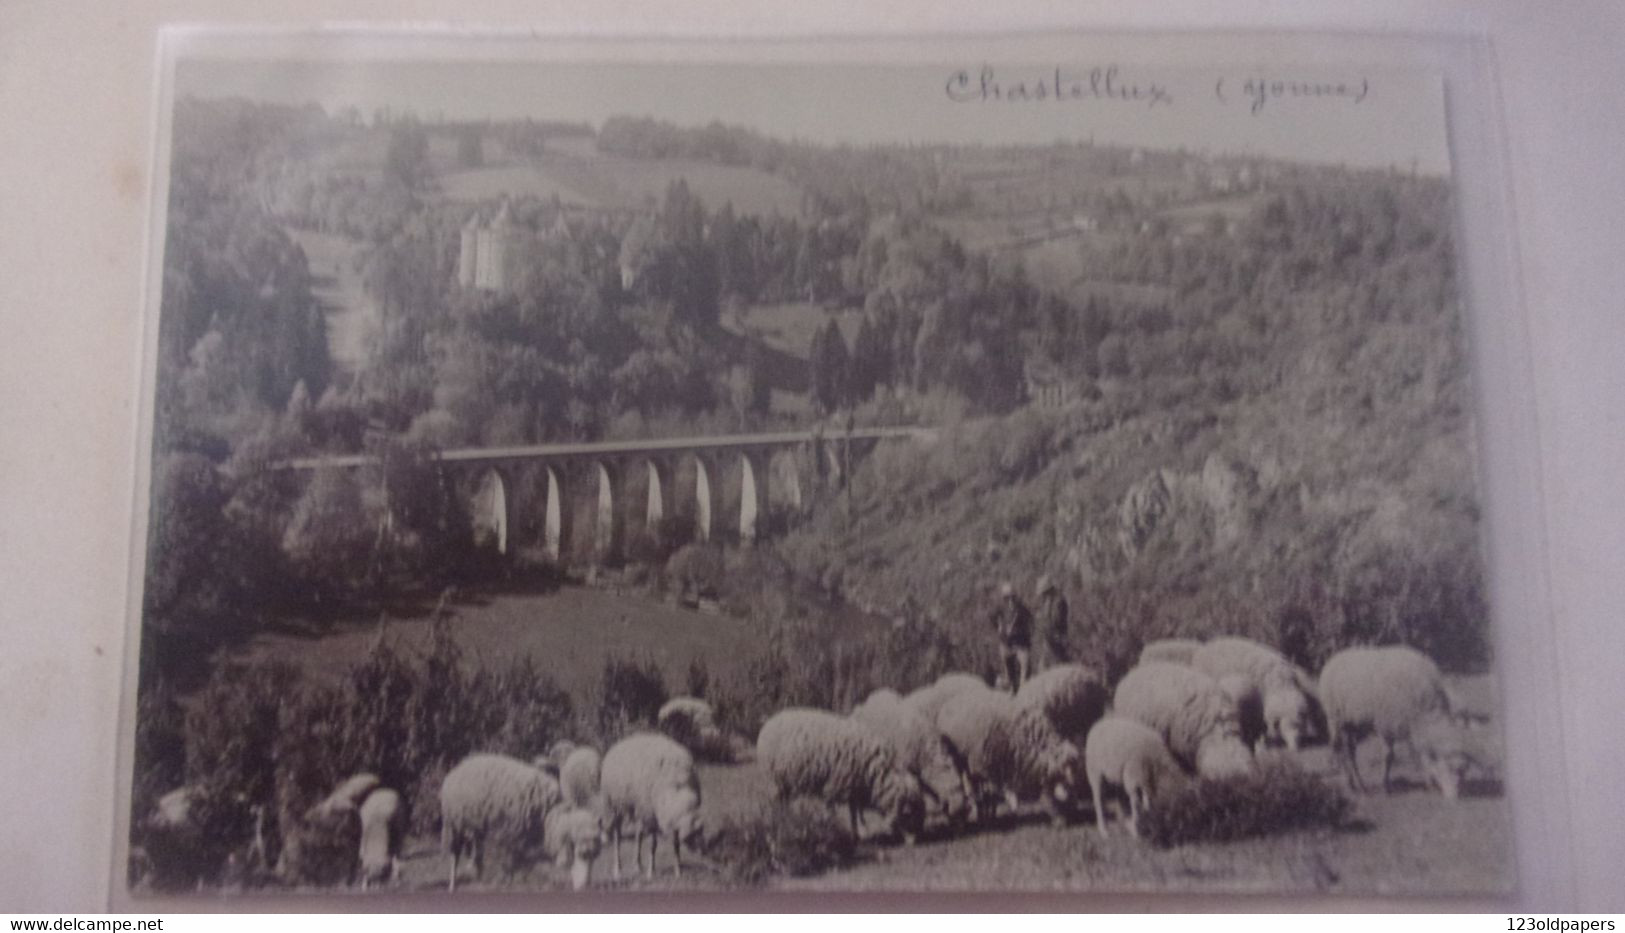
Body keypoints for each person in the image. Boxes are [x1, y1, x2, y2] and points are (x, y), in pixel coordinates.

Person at [989, 580, 1034, 693]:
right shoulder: (1000, 608)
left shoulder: (1022, 609)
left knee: (1025, 669)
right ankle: (1012, 690)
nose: (1010, 600)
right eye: (1007, 597)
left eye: (1012, 597)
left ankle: (1024, 691)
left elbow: (1031, 622)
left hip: (1021, 643)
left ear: (1015, 596)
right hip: (1006, 643)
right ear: (1003, 598)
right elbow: (991, 617)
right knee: (1009, 672)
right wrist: (999, 627)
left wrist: (1026, 633)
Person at [1035, 575, 1071, 668]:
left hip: (1056, 635)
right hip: (1049, 635)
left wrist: (1045, 623)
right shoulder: (1048, 600)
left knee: (1059, 661)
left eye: (1044, 593)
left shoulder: (1058, 600)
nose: (1042, 595)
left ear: (1048, 590)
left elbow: (1056, 619)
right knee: (1045, 664)